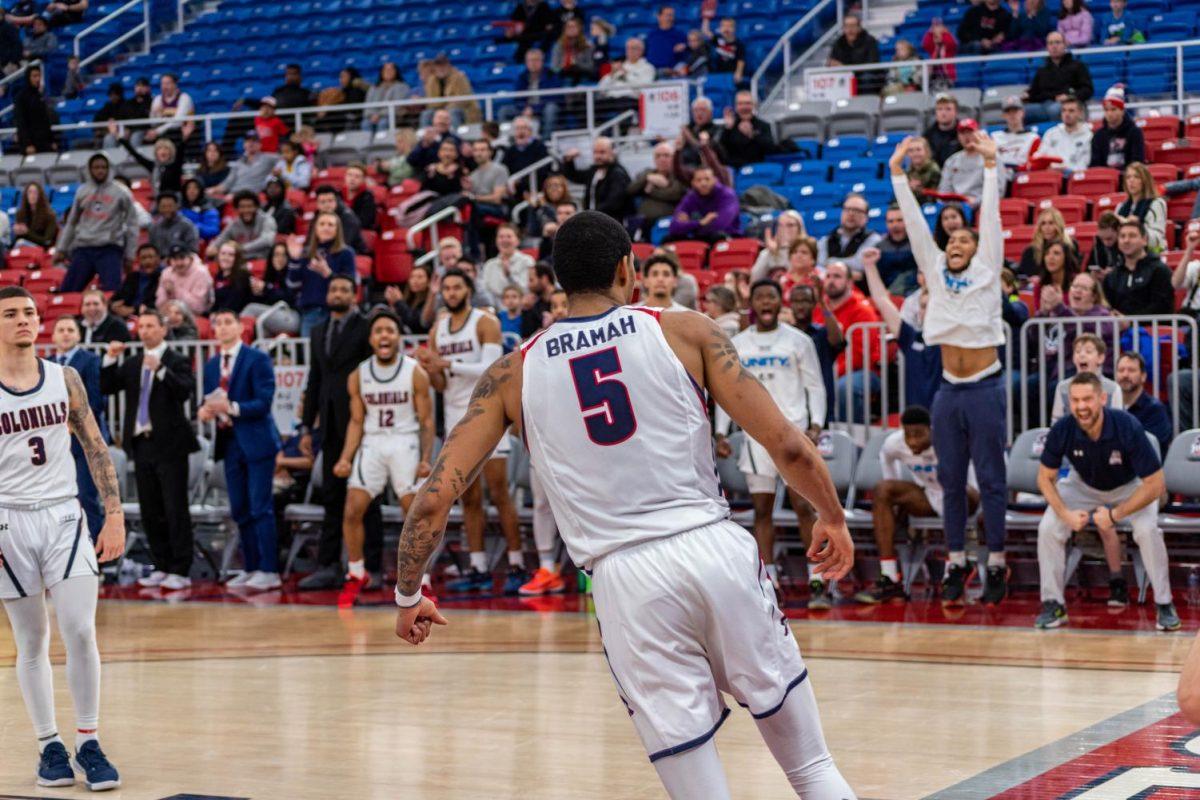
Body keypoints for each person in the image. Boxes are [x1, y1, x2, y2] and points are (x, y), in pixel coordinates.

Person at [392, 211, 857, 798]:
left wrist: (409, 596)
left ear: (559, 280)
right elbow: (789, 445)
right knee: (812, 768)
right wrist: (832, 516)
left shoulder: (511, 372)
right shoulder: (685, 329)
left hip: (624, 580)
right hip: (715, 550)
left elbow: (432, 504)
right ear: (627, 268)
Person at [0, 287, 125, 793]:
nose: (24, 320)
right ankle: (49, 744)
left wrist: (113, 513)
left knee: (79, 630)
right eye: (11, 314)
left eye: (30, 312)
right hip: (8, 521)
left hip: (63, 518)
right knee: (31, 640)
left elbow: (94, 446)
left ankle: (89, 740)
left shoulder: (64, 378)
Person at [890, 133, 1010, 605]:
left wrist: (990, 165)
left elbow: (992, 220)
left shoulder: (987, 268)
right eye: (953, 239)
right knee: (951, 481)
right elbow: (918, 224)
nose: (957, 243)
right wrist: (898, 171)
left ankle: (996, 562)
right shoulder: (935, 266)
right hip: (948, 391)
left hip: (984, 387)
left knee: (993, 479)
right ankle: (957, 561)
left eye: (966, 239)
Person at [714, 279, 828, 605]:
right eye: (760, 297)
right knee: (762, 511)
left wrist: (816, 424)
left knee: (805, 506)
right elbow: (727, 390)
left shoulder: (799, 341)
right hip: (754, 436)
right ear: (752, 303)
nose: (766, 302)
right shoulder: (736, 343)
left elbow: (815, 387)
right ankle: (770, 583)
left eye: (772, 297)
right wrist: (722, 432)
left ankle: (818, 581)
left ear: (781, 303)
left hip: (792, 433)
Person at [1034, 372, 1177, 630]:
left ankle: (1165, 604)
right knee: (1048, 528)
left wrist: (1114, 515)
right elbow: (1044, 479)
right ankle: (1052, 604)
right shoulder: (1063, 428)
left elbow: (1156, 485)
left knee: (1146, 530)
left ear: (1102, 398)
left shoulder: (1127, 426)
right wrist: (1065, 514)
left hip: (1129, 486)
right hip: (1082, 485)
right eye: (1075, 400)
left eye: (1087, 399)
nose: (1081, 407)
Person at [415, 269, 527, 594]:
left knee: (499, 493)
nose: (450, 293)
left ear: (468, 289)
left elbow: (492, 370)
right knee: (468, 498)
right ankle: (478, 565)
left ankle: (517, 562)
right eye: (446, 288)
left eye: (456, 287)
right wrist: (430, 369)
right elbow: (440, 384)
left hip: (489, 415)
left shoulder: (484, 322)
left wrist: (448, 365)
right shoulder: (437, 331)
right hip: (455, 419)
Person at [332, 309, 435, 603]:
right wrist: (345, 457)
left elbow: (427, 422)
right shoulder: (359, 375)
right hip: (373, 442)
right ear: (372, 339)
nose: (384, 336)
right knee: (352, 508)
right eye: (379, 331)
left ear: (398, 336)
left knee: (413, 513)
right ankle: (356, 572)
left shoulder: (414, 371)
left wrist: (427, 457)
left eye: (389, 330)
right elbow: (355, 421)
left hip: (405, 441)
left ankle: (421, 580)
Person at [296, 276, 386, 590]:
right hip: (330, 427)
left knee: (368, 496)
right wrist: (307, 427)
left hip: (363, 424)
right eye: (333, 289)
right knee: (332, 497)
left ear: (354, 295)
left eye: (344, 290)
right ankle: (328, 565)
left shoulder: (365, 328)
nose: (338, 294)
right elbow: (314, 380)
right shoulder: (318, 331)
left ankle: (373, 567)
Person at [101, 309, 197, 591]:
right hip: (141, 444)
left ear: (163, 329)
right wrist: (109, 359)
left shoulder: (175, 360)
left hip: (170, 444)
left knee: (174, 508)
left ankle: (181, 568)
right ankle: (162, 565)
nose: (145, 331)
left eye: (150, 326)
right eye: (141, 326)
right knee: (150, 509)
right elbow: (108, 386)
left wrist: (162, 371)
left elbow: (185, 391)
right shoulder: (133, 363)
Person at [855, 406, 979, 603]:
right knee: (883, 489)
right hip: (929, 495)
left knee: (954, 492)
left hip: (965, 496)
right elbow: (889, 472)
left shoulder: (949, 442)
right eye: (908, 435)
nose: (912, 441)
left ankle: (953, 572)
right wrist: (897, 506)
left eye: (919, 434)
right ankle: (890, 577)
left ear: (931, 430)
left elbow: (973, 486)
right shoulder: (893, 444)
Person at [197, 309, 283, 592]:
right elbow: (210, 398)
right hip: (229, 441)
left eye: (227, 322)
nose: (221, 328)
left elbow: (264, 400)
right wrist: (207, 410)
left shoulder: (256, 358)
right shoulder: (211, 365)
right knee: (240, 509)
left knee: (261, 507)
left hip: (257, 441)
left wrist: (232, 408)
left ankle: (269, 569)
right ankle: (251, 567)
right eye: (217, 324)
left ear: (239, 327)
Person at [862, 247, 942, 410]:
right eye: (923, 306)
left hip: (945, 419)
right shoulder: (911, 338)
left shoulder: (955, 340)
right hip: (915, 421)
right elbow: (882, 300)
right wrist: (870, 267)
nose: (926, 311)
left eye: (933, 306)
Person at [50, 316, 108, 541]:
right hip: (57, 442)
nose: (65, 334)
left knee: (86, 496)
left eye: (70, 330)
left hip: (85, 441)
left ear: (78, 335)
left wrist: (74, 422)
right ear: (53, 336)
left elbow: (95, 400)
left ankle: (95, 557)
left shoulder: (90, 360)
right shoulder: (47, 364)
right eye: (61, 329)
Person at [56, 154, 140, 294]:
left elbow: (132, 224)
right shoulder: (82, 191)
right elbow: (72, 222)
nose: (100, 171)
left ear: (109, 169)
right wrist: (61, 248)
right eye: (96, 167)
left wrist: (130, 255)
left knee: (113, 293)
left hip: (110, 248)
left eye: (103, 167)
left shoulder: (121, 192)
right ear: (89, 169)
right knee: (67, 292)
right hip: (84, 248)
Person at [286, 213, 358, 336]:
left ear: (337, 229)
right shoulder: (306, 253)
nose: (326, 228)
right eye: (322, 224)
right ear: (315, 228)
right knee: (311, 353)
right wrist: (295, 260)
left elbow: (351, 285)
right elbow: (292, 285)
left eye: (331, 225)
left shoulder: (346, 253)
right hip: (310, 312)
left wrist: (328, 274)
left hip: (337, 313)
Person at [1102, 217, 1173, 316]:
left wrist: (1130, 321)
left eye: (1132, 236)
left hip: (1153, 329)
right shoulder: (1112, 276)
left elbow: (1161, 307)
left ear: (1144, 240)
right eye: (1122, 236)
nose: (1126, 240)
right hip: (1120, 329)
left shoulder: (1160, 271)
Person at [1049, 333, 1124, 423]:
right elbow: (1056, 422)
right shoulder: (1062, 387)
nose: (1082, 355)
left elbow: (1119, 422)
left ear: (1101, 358)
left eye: (1088, 351)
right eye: (1077, 351)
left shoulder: (1113, 389)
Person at [940, 119, 1008, 208]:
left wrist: (976, 201)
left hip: (983, 205)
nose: (966, 137)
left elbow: (998, 190)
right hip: (956, 207)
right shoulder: (951, 161)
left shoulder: (991, 157)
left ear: (978, 133)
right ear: (958, 136)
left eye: (970, 132)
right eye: (962, 133)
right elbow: (944, 191)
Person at [561, 137, 631, 222]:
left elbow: (614, 203)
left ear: (612, 152)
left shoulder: (618, 173)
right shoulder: (595, 171)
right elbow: (574, 176)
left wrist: (591, 214)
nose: (598, 156)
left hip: (612, 223)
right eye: (595, 152)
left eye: (602, 152)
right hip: (595, 220)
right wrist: (569, 161)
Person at [627, 141, 687, 240]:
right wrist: (647, 178)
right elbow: (630, 190)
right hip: (643, 222)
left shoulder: (679, 175)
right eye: (658, 156)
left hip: (668, 223)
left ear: (674, 157)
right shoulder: (647, 172)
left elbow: (674, 194)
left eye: (666, 155)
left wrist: (650, 191)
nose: (662, 159)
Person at [1116, 350, 1171, 456]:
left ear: (1143, 376)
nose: (1125, 375)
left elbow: (1149, 449)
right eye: (1121, 370)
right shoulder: (1109, 407)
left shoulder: (1155, 410)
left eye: (1131, 370)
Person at [666, 166, 740, 243]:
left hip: (728, 237)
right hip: (699, 237)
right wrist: (700, 222)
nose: (703, 183)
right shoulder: (690, 198)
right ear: (693, 183)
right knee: (669, 239)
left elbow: (719, 225)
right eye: (699, 180)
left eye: (707, 179)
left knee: (717, 236)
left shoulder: (727, 195)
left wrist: (688, 225)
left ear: (715, 180)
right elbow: (673, 228)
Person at [816, 193, 882, 277]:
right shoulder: (826, 240)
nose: (851, 214)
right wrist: (852, 274)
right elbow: (819, 266)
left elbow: (860, 264)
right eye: (847, 209)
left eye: (857, 210)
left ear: (866, 217)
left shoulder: (874, 239)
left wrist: (830, 262)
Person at [500, 49, 561, 136]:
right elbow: (518, 98)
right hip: (525, 108)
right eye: (530, 60)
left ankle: (546, 139)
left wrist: (534, 108)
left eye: (536, 60)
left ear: (542, 61)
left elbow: (553, 97)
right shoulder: (522, 77)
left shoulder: (551, 75)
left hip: (542, 108)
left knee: (551, 109)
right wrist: (524, 108)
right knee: (504, 111)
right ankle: (506, 138)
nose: (533, 63)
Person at [206, 190, 278, 261]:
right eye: (242, 207)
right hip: (241, 263)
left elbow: (267, 240)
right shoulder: (234, 224)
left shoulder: (267, 220)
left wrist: (240, 248)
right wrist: (213, 247)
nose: (246, 210)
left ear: (257, 207)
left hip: (262, 261)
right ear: (236, 209)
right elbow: (220, 239)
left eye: (250, 206)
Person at [207, 132, 281, 198]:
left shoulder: (268, 158)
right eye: (248, 141)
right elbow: (227, 183)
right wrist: (212, 190)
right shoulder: (238, 163)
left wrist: (275, 173)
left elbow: (285, 158)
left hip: (252, 196)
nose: (251, 143)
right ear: (244, 145)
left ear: (260, 144)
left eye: (254, 141)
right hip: (232, 195)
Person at [1116, 162, 1167, 252]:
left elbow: (1157, 240)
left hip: (1152, 256)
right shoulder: (1120, 207)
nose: (1131, 180)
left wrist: (1138, 226)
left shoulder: (1156, 203)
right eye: (1128, 177)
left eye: (1136, 177)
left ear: (1144, 181)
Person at [1032, 96, 1092, 173]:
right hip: (1051, 176)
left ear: (1080, 113)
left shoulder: (1088, 136)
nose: (1066, 114)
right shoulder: (1051, 133)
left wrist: (1066, 170)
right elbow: (1039, 156)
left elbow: (1085, 165)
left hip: (1073, 178)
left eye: (1071, 111)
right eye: (1064, 110)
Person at [419, 52, 480, 128]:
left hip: (463, 110)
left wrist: (445, 106)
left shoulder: (459, 77)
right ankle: (426, 136)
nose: (441, 68)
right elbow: (431, 101)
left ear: (449, 66)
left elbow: (463, 100)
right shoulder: (432, 80)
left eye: (443, 66)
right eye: (438, 66)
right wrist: (442, 107)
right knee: (427, 114)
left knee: (452, 112)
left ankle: (454, 135)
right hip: (440, 109)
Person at [718, 91, 777, 169]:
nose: (744, 107)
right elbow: (721, 152)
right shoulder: (729, 127)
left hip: (757, 168)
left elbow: (771, 149)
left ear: (754, 105)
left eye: (747, 103)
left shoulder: (763, 125)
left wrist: (751, 134)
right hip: (735, 170)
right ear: (736, 106)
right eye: (740, 104)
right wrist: (728, 129)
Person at [1090, 85, 1144, 170]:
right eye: (1106, 110)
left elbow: (1137, 161)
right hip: (1106, 179)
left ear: (1122, 111)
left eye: (1113, 109)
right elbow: (1095, 165)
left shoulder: (1134, 132)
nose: (1109, 114)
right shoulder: (1098, 136)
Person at [827, 14, 882, 94]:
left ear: (859, 27)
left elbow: (872, 64)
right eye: (847, 26)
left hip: (864, 77)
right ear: (843, 28)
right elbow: (831, 61)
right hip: (843, 77)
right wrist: (832, 64)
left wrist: (846, 68)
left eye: (853, 26)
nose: (850, 29)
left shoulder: (869, 41)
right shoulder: (838, 43)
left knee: (867, 78)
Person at [155, 244, 213, 317]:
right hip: (169, 316)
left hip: (195, 318)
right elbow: (159, 304)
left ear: (190, 258)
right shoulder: (166, 273)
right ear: (170, 261)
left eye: (182, 258)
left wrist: (175, 290)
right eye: (175, 259)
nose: (179, 263)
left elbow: (199, 307)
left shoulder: (201, 273)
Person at [481, 223, 534, 299]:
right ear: (496, 241)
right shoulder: (489, 265)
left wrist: (509, 276)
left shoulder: (527, 261)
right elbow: (485, 291)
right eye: (501, 237)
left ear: (517, 240)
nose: (505, 240)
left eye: (509, 237)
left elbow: (527, 290)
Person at [1020, 207, 1077, 277]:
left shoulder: (1070, 246)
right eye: (1043, 224)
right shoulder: (1030, 251)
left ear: (1059, 225)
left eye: (1051, 223)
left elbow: (1074, 272)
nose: (1047, 227)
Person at [750, 211, 806, 282]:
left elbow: (799, 275)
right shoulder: (768, 252)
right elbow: (755, 280)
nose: (784, 229)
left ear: (799, 227)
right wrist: (770, 254)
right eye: (780, 225)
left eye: (790, 225)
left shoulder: (808, 250)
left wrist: (783, 252)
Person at [994, 97, 1041, 179]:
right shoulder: (995, 137)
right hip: (999, 177)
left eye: (1015, 111)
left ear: (1022, 113)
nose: (1012, 115)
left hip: (1022, 177)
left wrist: (1016, 169)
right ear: (1003, 115)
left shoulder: (1033, 138)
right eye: (1008, 112)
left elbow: (1034, 165)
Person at [111, 243, 162, 318]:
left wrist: (133, 310)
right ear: (138, 260)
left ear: (158, 259)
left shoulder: (162, 277)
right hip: (124, 316)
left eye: (151, 257)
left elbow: (156, 303)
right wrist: (114, 306)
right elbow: (118, 297)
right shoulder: (132, 277)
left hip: (150, 316)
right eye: (143, 258)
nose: (147, 261)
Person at [876, 206, 918, 295]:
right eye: (890, 221)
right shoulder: (879, 248)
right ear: (886, 224)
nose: (895, 225)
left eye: (899, 220)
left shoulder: (918, 244)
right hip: (886, 295)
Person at [14, 64, 54, 155]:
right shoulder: (21, 97)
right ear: (28, 77)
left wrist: (51, 140)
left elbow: (45, 120)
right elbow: (21, 122)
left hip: (44, 143)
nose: (38, 79)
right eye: (34, 76)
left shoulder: (39, 95)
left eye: (39, 75)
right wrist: (27, 144)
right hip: (31, 145)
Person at [361, 62, 411, 134]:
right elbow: (368, 104)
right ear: (381, 72)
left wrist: (379, 115)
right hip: (373, 116)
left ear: (396, 72)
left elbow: (397, 106)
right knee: (365, 124)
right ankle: (367, 145)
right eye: (386, 70)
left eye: (391, 70)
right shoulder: (374, 88)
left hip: (393, 116)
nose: (388, 72)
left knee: (383, 123)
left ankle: (382, 144)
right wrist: (372, 115)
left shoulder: (402, 86)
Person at [147, 192, 199, 259]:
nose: (167, 209)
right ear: (158, 208)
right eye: (163, 206)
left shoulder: (187, 226)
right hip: (159, 265)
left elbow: (193, 251)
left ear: (177, 206)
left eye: (170, 206)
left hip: (181, 262)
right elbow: (152, 251)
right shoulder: (154, 228)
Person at [550, 16, 595, 84]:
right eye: (568, 27)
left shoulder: (587, 46)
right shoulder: (558, 46)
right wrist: (564, 67)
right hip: (563, 77)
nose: (571, 29)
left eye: (574, 27)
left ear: (579, 28)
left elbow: (591, 66)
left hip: (582, 77)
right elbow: (554, 66)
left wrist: (577, 65)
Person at [12, 181, 58, 249]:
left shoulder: (49, 215)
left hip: (42, 248)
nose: (32, 195)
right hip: (24, 247)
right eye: (29, 192)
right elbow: (19, 238)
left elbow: (46, 241)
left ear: (40, 195)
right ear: (26, 195)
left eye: (35, 193)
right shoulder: (20, 213)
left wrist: (27, 232)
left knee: (20, 243)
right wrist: (17, 232)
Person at [212, 240, 253, 313]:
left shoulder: (242, 277)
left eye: (231, 255)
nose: (225, 258)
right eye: (223, 254)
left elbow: (233, 305)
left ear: (237, 258)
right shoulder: (220, 274)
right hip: (220, 314)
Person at [645, 5, 688, 73]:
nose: (670, 18)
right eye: (667, 15)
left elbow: (685, 58)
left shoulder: (680, 35)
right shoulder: (651, 35)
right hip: (651, 72)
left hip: (672, 73)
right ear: (659, 17)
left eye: (672, 15)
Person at [922, 94, 962, 167]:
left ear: (956, 112)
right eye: (940, 109)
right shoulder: (928, 135)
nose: (943, 113)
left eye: (948, 109)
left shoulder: (964, 132)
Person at [705, 17, 746, 84]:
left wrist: (738, 72)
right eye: (723, 26)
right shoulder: (717, 39)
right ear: (720, 28)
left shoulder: (739, 44)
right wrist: (706, 18)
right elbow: (706, 32)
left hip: (731, 74)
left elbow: (741, 60)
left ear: (734, 29)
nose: (726, 29)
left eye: (729, 26)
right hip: (717, 73)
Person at [922, 17, 958, 89]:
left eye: (939, 34)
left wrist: (944, 33)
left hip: (947, 75)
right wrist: (930, 32)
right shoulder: (933, 48)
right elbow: (925, 44)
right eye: (935, 35)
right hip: (934, 75)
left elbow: (951, 43)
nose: (937, 36)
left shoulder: (948, 48)